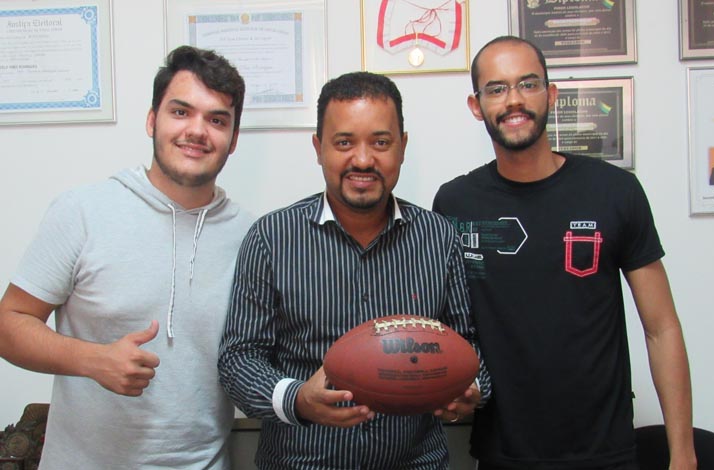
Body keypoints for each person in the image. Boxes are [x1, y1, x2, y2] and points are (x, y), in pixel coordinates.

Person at [432, 36, 697, 470]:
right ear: (476, 105)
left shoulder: (614, 191)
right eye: (496, 88)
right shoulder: (455, 203)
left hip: (604, 451)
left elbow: (661, 328)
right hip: (504, 451)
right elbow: (449, 326)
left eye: (528, 84)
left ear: (551, 95)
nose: (513, 100)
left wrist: (682, 453)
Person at [218, 71, 491, 470]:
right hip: (301, 463)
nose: (363, 160)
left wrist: (472, 389)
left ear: (402, 147)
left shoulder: (439, 236)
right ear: (318, 147)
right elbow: (239, 357)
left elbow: (467, 344)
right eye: (344, 142)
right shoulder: (271, 238)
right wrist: (297, 400)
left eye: (380, 142)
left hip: (414, 462)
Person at [0, 45, 253, 469]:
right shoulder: (82, 211)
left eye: (216, 119)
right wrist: (92, 359)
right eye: (180, 112)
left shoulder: (251, 235)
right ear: (152, 120)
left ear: (233, 140)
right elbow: (9, 324)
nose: (197, 130)